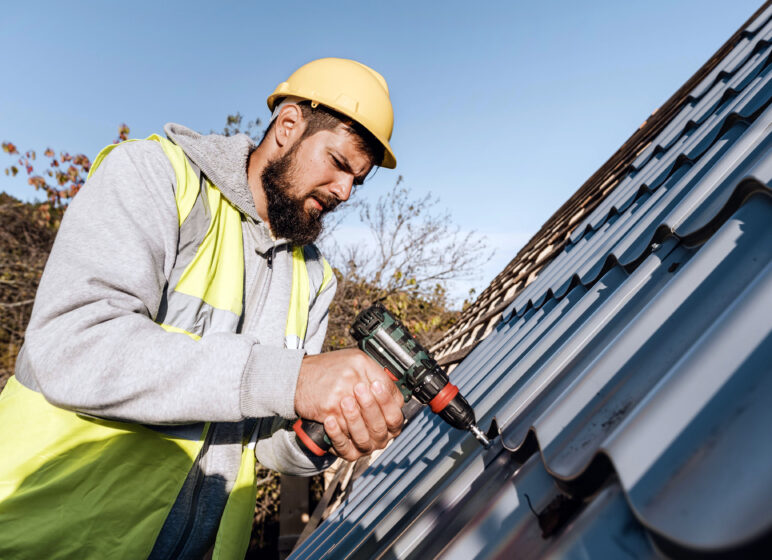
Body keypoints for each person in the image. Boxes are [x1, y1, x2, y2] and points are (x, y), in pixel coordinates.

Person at [0, 57, 405, 559]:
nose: (344, 192)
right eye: (339, 164)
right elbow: (72, 348)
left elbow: (264, 444)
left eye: (357, 181)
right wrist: (293, 378)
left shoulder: (314, 276)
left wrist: (326, 430)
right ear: (288, 126)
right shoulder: (155, 177)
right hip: (45, 539)